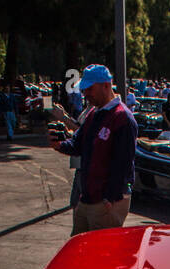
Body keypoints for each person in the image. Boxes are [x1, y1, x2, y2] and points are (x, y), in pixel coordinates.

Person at [49, 63, 137, 236]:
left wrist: (110, 197)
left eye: (89, 89)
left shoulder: (122, 118)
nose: (85, 94)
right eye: (84, 89)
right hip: (88, 198)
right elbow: (78, 144)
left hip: (107, 201)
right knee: (77, 247)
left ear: (106, 85)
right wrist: (59, 144)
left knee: (100, 255)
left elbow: (124, 163)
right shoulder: (94, 114)